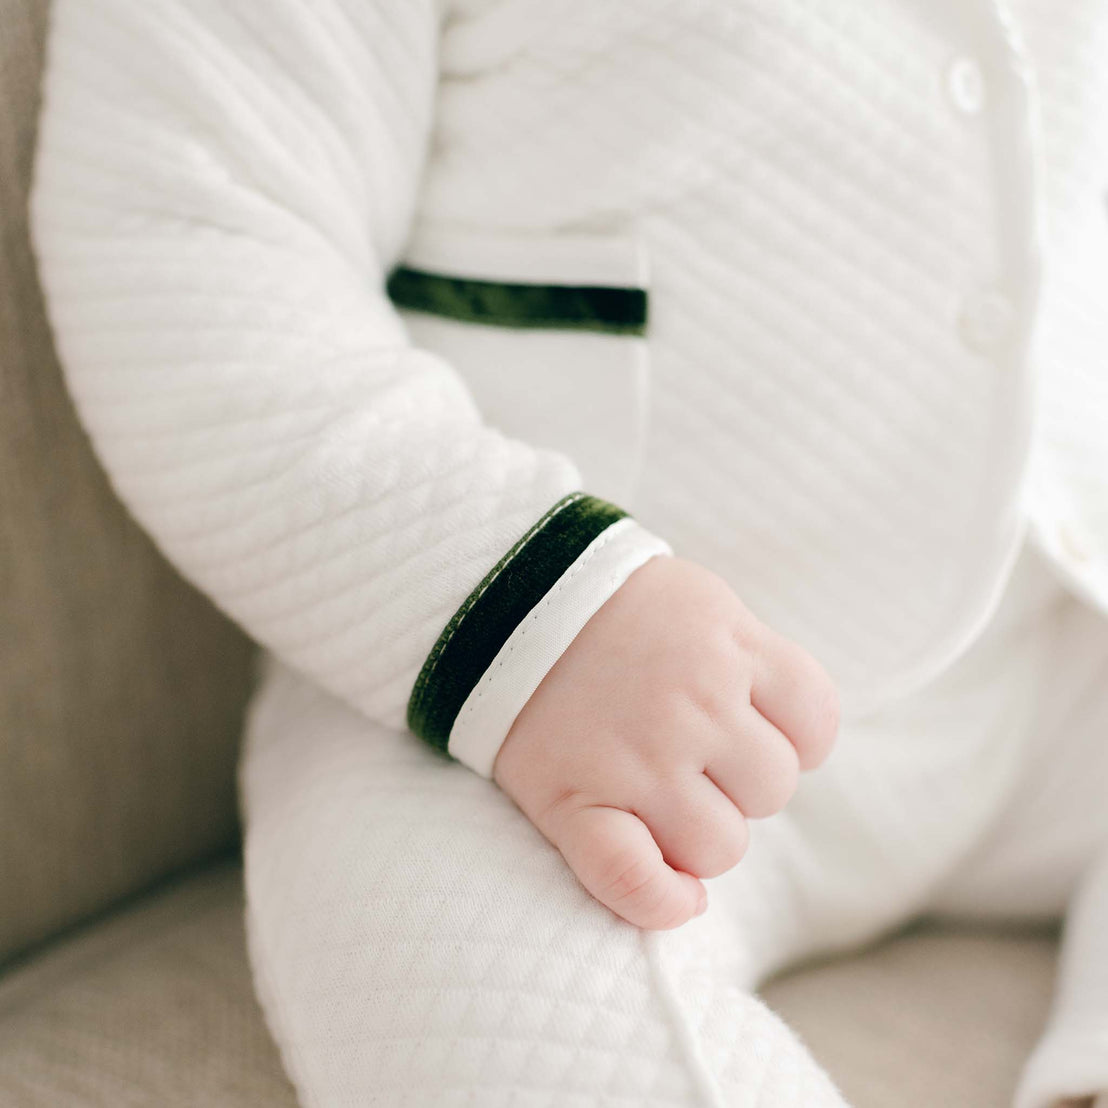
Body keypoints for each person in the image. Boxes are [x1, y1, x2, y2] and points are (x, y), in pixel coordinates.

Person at [30, 0, 1108, 1105]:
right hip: (529, 683)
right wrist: (536, 607)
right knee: (454, 961)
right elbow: (193, 232)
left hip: (1047, 637)